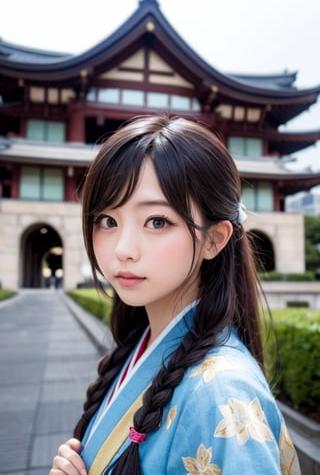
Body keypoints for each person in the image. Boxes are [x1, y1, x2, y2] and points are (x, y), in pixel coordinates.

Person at [50, 115, 300, 474]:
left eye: (156, 221)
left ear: (214, 238)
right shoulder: (139, 345)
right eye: (107, 220)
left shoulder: (223, 394)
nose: (123, 249)